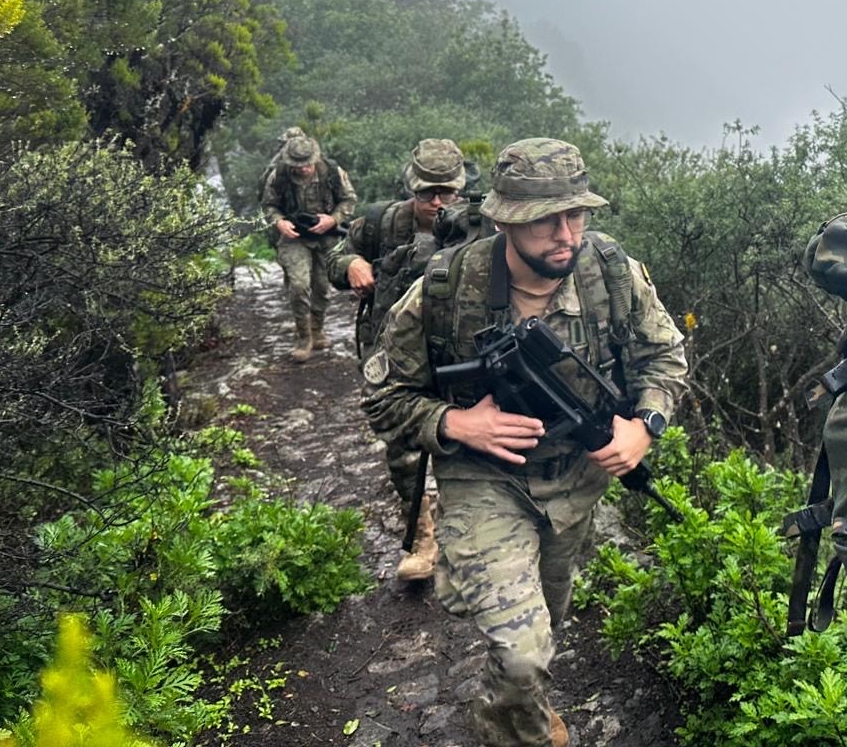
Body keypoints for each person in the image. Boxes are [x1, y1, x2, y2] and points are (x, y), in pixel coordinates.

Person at [362, 138, 688, 747]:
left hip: (575, 483)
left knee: (547, 623)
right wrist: (455, 424)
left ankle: (515, 704)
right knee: (521, 650)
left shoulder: (611, 274)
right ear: (505, 220)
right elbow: (381, 396)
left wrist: (644, 425)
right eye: (545, 220)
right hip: (482, 477)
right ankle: (514, 728)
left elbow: (664, 358)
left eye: (576, 214)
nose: (566, 233)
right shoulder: (444, 289)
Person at [326, 137, 482, 582]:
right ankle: (422, 536)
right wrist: (353, 265)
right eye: (426, 193)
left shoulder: (480, 226)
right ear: (411, 188)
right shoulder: (382, 223)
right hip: (395, 350)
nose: (436, 202)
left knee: (467, 437)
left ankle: (469, 528)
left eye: (446, 192)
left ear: (460, 188)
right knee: (402, 448)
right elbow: (339, 256)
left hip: (460, 353)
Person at [260, 132, 357, 363]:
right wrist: (279, 222)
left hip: (327, 237)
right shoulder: (279, 176)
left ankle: (317, 329)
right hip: (294, 237)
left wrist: (332, 220)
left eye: (307, 164)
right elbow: (269, 205)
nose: (303, 169)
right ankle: (303, 337)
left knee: (323, 287)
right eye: (298, 165)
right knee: (299, 285)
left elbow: (349, 200)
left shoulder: (332, 173)